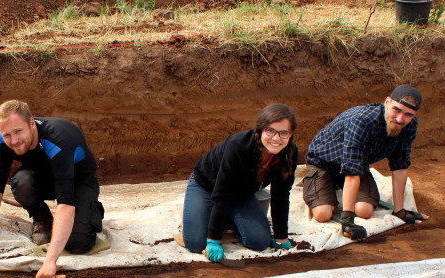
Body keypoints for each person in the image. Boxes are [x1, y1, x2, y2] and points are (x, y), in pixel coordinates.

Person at [0, 100, 104, 278]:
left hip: (78, 181)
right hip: (46, 176)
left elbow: (65, 205)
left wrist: (50, 262)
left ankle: (90, 210)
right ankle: (42, 218)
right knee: (22, 182)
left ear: (31, 123)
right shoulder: (3, 140)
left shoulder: (58, 139)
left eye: (18, 131)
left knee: (78, 243)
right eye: (7, 134)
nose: (14, 141)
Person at [304, 84, 428, 240]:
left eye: (408, 115)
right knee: (323, 214)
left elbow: (400, 166)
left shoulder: (409, 125)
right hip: (323, 163)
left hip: (358, 164)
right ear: (387, 102)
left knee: (364, 210)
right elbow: (351, 172)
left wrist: (400, 211)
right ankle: (327, 185)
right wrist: (348, 221)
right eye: (397, 110)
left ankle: (339, 187)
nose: (400, 119)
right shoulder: (362, 121)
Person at [182, 104, 299, 262]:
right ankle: (212, 217)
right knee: (196, 243)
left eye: (284, 133)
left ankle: (225, 218)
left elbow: (281, 195)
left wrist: (281, 237)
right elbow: (222, 192)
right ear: (260, 129)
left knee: (259, 242)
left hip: (240, 194)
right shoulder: (238, 146)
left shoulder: (289, 153)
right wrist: (213, 239)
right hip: (206, 186)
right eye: (271, 131)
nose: (277, 138)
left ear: (291, 134)